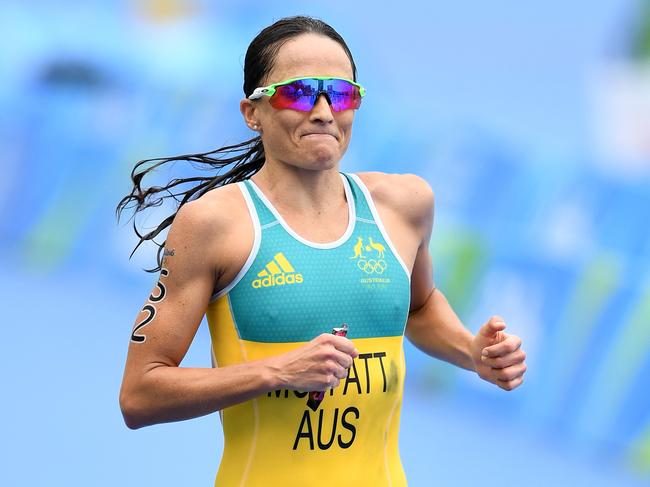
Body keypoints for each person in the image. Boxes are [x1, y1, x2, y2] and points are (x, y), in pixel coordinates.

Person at [117, 15, 527, 486]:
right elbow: (140, 394)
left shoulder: (403, 206)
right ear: (253, 112)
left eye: (342, 93)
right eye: (298, 92)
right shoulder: (215, 224)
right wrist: (276, 371)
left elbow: (417, 306)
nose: (324, 111)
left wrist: (471, 352)